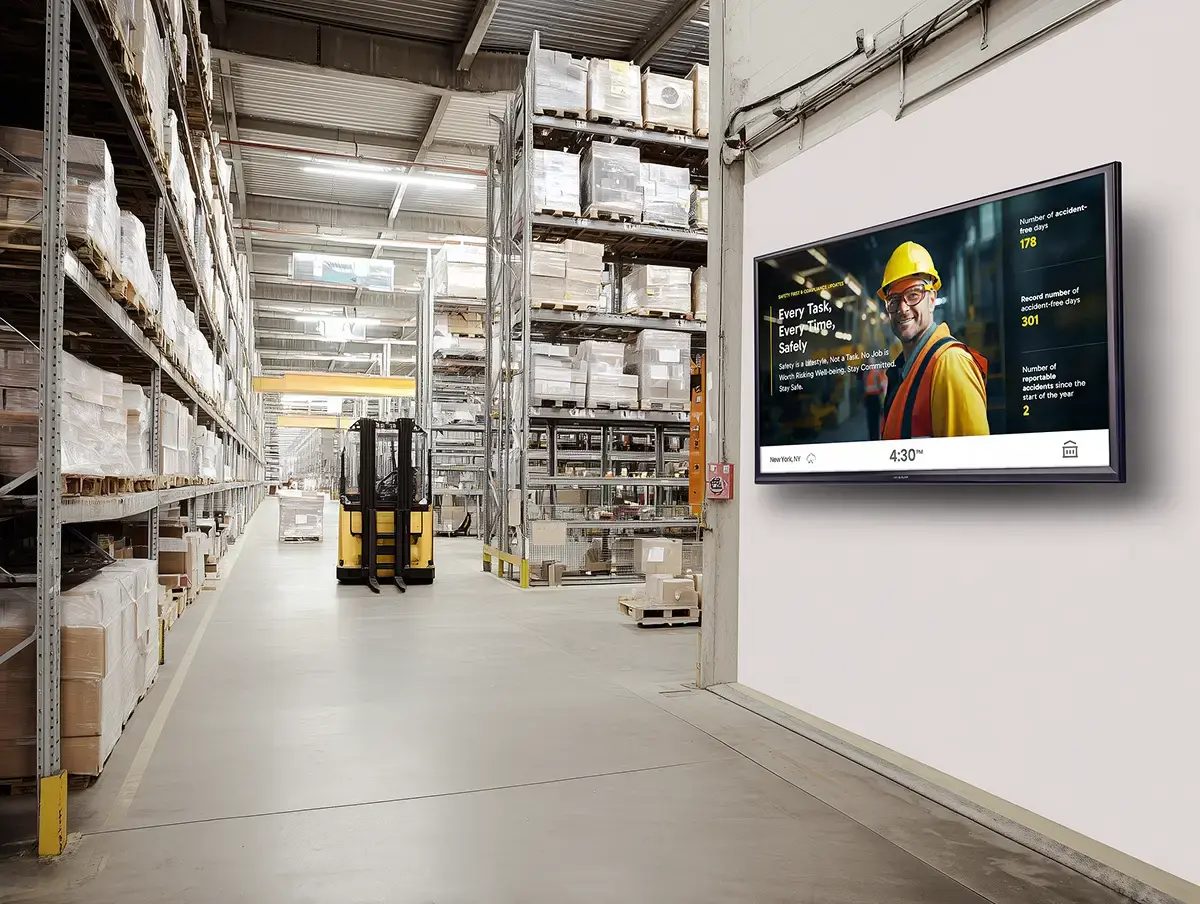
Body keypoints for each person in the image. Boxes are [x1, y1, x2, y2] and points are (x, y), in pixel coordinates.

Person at [877, 242, 989, 440]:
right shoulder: (907, 369)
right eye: (894, 300)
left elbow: (969, 466)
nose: (902, 308)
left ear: (931, 299)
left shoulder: (950, 364)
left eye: (913, 295)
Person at [861, 365, 887, 440]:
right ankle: (875, 437)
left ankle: (872, 437)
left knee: (871, 420)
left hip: (870, 399)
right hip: (874, 398)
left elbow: (864, 387)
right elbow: (882, 386)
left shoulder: (866, 373)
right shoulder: (876, 373)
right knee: (875, 420)